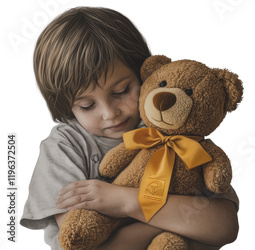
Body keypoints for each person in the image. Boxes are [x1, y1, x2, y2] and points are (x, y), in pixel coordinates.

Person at [20, 7, 239, 249]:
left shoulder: (172, 130)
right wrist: (171, 220)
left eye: (121, 91)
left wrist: (126, 202)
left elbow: (225, 226)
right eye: (87, 105)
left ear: (143, 74)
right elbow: (82, 242)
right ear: (66, 106)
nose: (110, 113)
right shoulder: (64, 148)